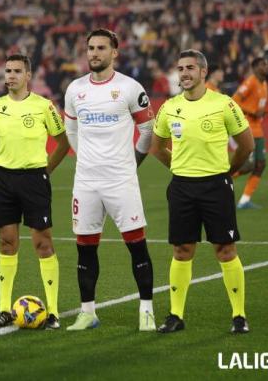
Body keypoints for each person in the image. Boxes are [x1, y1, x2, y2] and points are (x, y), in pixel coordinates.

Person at [151, 50, 254, 334]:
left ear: (203, 72)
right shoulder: (169, 106)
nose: (184, 73)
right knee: (182, 250)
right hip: (182, 187)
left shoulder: (223, 104)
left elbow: (246, 145)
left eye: (190, 68)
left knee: (225, 249)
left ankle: (239, 316)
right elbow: (157, 147)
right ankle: (175, 316)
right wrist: (179, 167)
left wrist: (229, 172)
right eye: (180, 68)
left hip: (215, 186)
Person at [63, 28, 156, 331]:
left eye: (101, 48)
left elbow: (148, 129)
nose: (94, 53)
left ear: (114, 52)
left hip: (121, 181)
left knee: (136, 245)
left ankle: (146, 311)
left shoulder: (129, 88)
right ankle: (88, 312)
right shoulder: (75, 89)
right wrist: (86, 159)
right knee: (85, 247)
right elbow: (71, 131)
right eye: (90, 47)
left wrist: (134, 160)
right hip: (87, 182)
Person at [0, 54, 69, 330]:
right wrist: (5, 165)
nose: (11, 76)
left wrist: (45, 171)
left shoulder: (44, 107)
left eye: (17, 71)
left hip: (35, 179)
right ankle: (4, 309)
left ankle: (53, 312)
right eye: (8, 71)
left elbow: (63, 143)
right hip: (4, 180)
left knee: (43, 243)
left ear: (28, 75)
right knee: (7, 243)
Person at [232, 57, 268, 209]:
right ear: (255, 67)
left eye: (267, 64)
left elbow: (258, 112)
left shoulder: (264, 84)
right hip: (247, 127)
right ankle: (220, 181)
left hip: (258, 129)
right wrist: (253, 112)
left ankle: (244, 201)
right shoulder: (250, 82)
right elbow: (234, 100)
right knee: (248, 165)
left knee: (260, 165)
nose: (267, 67)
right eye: (263, 64)